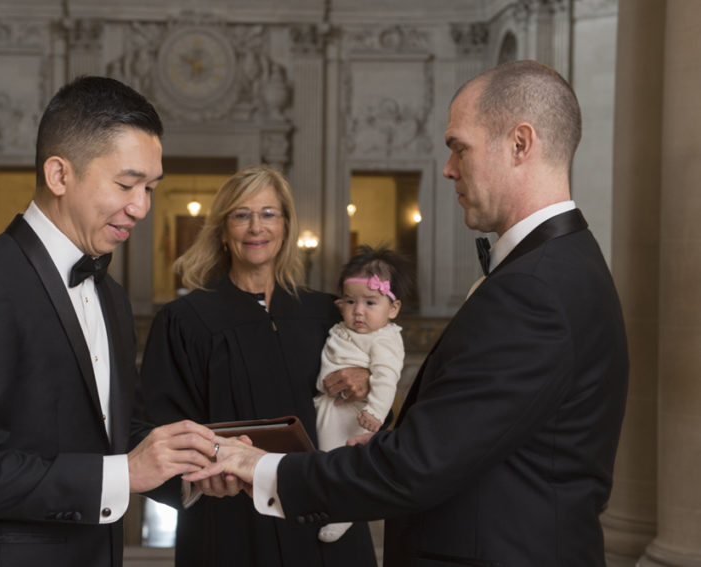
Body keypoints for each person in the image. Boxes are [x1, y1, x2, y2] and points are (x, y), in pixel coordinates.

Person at [190, 60, 629, 567]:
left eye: (458, 147)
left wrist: (265, 468)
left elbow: (419, 463)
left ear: (520, 144)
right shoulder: (563, 264)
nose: (447, 168)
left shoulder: (534, 290)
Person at [0, 76, 218, 567]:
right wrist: (122, 475)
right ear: (59, 175)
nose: (142, 207)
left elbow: (115, 436)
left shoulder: (111, 296)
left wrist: (190, 468)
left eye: (151, 188)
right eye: (126, 184)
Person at [139, 164, 378, 567]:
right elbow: (157, 427)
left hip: (318, 511)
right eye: (241, 214)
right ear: (222, 228)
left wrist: (366, 380)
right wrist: (199, 479)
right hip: (230, 518)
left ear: (286, 226)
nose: (256, 227)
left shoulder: (326, 312)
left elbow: (367, 409)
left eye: (268, 213)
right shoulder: (185, 320)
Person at [314, 245, 409, 543]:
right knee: (322, 459)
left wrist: (376, 414)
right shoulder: (346, 328)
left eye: (370, 302)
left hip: (353, 412)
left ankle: (347, 510)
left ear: (392, 309)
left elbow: (385, 377)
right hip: (329, 404)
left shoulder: (384, 339)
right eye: (350, 301)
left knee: (338, 459)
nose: (358, 311)